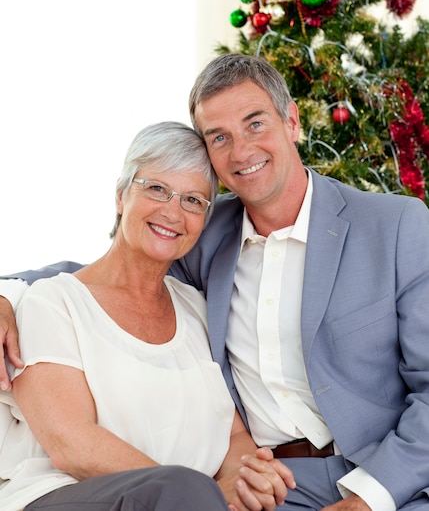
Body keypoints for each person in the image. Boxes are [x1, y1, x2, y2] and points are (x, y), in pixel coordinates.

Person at [1, 53, 429, 510]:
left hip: (388, 478)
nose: (241, 151)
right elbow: (110, 274)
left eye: (255, 124)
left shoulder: (396, 226)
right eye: (219, 137)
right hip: (273, 486)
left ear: (292, 121)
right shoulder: (201, 230)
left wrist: (367, 500)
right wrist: (6, 294)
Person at [0, 120, 293, 511]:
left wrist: (240, 480)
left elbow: (235, 436)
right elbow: (71, 445)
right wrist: (197, 495)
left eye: (193, 201)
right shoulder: (54, 303)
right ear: (121, 196)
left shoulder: (199, 309)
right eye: (157, 189)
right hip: (65, 498)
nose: (173, 212)